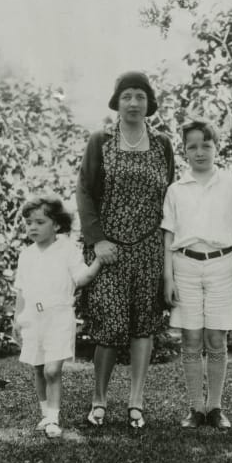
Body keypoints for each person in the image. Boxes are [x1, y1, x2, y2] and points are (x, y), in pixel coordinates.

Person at [76, 70, 175, 430]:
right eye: (127, 96)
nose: (134, 103)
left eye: (140, 97)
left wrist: (167, 250)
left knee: (143, 326)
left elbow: (171, 196)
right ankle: (99, 401)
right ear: (117, 102)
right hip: (110, 251)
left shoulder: (162, 144)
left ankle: (136, 402)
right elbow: (85, 192)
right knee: (109, 325)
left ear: (149, 104)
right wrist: (98, 240)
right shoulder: (100, 141)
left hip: (149, 250)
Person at [161, 119, 232, 431]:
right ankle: (195, 408)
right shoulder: (176, 190)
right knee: (190, 339)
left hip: (221, 265)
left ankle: (215, 407)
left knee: (216, 338)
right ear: (184, 151)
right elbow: (168, 236)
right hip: (185, 266)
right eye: (193, 147)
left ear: (216, 147)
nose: (200, 152)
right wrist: (168, 277)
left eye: (206, 145)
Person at [13, 195, 102, 439]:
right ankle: (46, 414)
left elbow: (82, 278)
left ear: (56, 224)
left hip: (59, 316)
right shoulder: (26, 255)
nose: (33, 227)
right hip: (33, 317)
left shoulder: (67, 250)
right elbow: (21, 289)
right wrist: (17, 319)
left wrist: (99, 261)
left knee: (52, 370)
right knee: (39, 367)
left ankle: (54, 418)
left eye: (40, 222)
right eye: (29, 223)